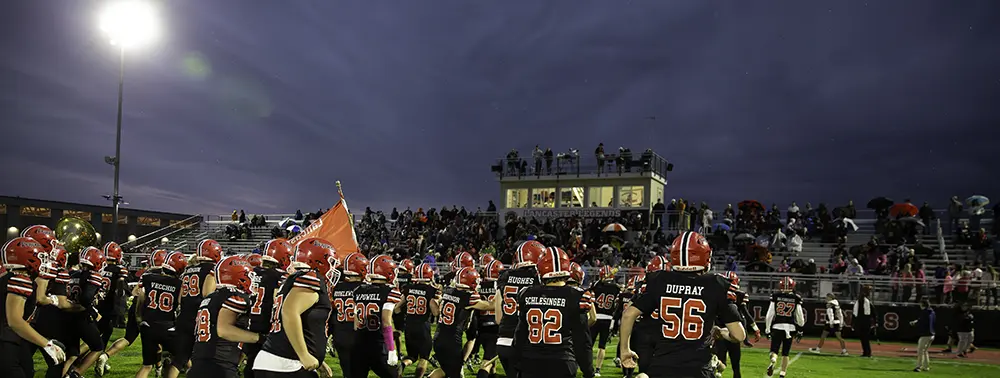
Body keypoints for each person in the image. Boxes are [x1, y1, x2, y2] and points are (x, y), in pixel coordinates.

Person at [620, 231, 745, 378]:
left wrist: (624, 350)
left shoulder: (660, 281)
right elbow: (739, 335)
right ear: (705, 257)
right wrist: (723, 333)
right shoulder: (716, 285)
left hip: (662, 367)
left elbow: (628, 314)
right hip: (698, 369)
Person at [252, 237, 338, 378]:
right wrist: (304, 355)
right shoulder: (311, 277)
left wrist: (316, 360)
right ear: (317, 261)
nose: (332, 268)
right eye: (331, 262)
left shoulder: (292, 279)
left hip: (278, 360)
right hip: (287, 364)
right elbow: (289, 312)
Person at [513, 247, 593, 378]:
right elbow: (582, 340)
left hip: (530, 362)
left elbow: (520, 334)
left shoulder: (526, 293)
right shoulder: (576, 296)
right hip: (561, 362)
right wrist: (587, 370)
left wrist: (516, 362)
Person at [189, 255, 267, 377]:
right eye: (249, 276)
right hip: (218, 365)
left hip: (200, 362)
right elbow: (224, 330)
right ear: (239, 276)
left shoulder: (211, 297)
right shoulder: (235, 297)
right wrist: (261, 338)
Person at [1, 236, 67, 378]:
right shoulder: (20, 279)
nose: (44, 261)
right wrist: (46, 344)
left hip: (13, 341)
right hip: (6, 342)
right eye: (40, 256)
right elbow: (14, 321)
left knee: (28, 370)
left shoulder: (7, 277)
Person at [244, 239, 293, 378]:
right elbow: (277, 301)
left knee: (250, 363)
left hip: (247, 323)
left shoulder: (251, 271)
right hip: (266, 325)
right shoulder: (280, 276)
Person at [495, 240, 544, 377]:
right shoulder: (537, 278)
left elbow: (498, 319)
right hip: (527, 342)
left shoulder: (504, 276)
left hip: (503, 341)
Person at [173, 239, 222, 376]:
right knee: (204, 359)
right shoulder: (211, 269)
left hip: (184, 316)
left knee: (180, 359)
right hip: (199, 318)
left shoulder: (188, 270)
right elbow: (208, 294)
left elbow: (180, 298)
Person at [134, 250, 187, 378]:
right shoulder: (179, 284)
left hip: (148, 325)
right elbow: (181, 304)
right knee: (184, 358)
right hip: (167, 327)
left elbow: (140, 295)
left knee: (147, 366)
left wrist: (139, 316)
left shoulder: (148, 277)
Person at [431, 267, 490, 378]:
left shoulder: (448, 290)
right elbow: (489, 306)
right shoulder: (469, 297)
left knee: (446, 370)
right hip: (452, 341)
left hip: (438, 338)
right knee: (454, 373)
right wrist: (500, 295)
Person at [351, 254, 403, 378]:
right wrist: (391, 349)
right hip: (379, 345)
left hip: (359, 343)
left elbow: (356, 324)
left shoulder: (358, 290)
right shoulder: (389, 292)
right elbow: (386, 321)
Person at [61, 246, 109, 377]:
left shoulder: (72, 274)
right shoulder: (94, 275)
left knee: (72, 353)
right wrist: (93, 312)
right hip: (81, 317)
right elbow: (86, 298)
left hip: (66, 316)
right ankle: (76, 374)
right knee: (98, 347)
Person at [714, 271, 759, 378]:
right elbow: (745, 314)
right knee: (735, 365)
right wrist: (755, 328)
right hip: (732, 331)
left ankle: (718, 372)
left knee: (721, 361)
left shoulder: (715, 294)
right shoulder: (739, 295)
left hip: (718, 331)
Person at [331, 252, 369, 377]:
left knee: (347, 373)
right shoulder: (365, 288)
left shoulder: (336, 287)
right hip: (358, 336)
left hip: (340, 334)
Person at [93, 242, 128, 377]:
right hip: (109, 305)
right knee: (97, 335)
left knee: (103, 331)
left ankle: (99, 357)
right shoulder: (120, 269)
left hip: (96, 304)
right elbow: (121, 285)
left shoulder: (99, 266)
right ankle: (81, 360)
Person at [401, 263, 441, 378]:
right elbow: (435, 312)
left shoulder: (408, 287)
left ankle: (403, 365)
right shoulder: (430, 290)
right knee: (424, 358)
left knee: (412, 356)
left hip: (408, 325)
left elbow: (398, 307)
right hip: (423, 326)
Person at [765, 277, 805, 378]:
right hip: (790, 327)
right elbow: (799, 316)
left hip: (777, 326)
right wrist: (800, 329)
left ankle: (773, 360)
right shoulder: (796, 298)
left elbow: (770, 314)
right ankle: (782, 373)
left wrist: (767, 329)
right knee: (785, 353)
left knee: (774, 350)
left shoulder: (776, 296)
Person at [567, 262, 598, 378]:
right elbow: (593, 318)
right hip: (581, 338)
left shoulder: (558, 293)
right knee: (588, 372)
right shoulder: (584, 294)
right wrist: (582, 326)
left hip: (561, 339)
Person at [589, 266, 620, 377]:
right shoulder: (616, 288)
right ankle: (598, 369)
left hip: (596, 317)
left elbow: (592, 289)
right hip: (608, 318)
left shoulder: (597, 286)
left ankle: (587, 367)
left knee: (589, 345)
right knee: (602, 346)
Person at [474, 259, 503, 378]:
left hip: (480, 327)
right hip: (495, 328)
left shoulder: (478, 285)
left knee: (491, 360)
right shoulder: (502, 286)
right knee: (487, 361)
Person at [909, 299, 935, 372]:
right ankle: (926, 366)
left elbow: (922, 322)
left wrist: (914, 323)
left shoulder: (924, 312)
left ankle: (919, 366)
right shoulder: (932, 312)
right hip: (932, 334)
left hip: (925, 334)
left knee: (920, 350)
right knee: (925, 351)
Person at [851, 285, 877, 357]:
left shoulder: (863, 301)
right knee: (864, 338)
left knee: (864, 337)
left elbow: (855, 313)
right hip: (864, 320)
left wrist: (853, 323)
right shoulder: (865, 301)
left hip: (863, 321)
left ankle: (867, 352)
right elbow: (873, 313)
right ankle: (866, 352)